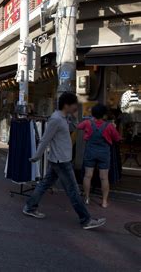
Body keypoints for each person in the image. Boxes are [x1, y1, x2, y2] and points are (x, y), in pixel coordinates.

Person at [23, 92, 106, 230]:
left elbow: (73, 129)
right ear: (67, 105)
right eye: (74, 104)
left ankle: (30, 207)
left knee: (44, 184)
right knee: (73, 191)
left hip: (60, 159)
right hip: (61, 161)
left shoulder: (63, 117)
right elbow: (45, 139)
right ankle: (86, 220)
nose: (76, 107)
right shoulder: (55, 119)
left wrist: (73, 118)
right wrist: (37, 156)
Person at [77, 104, 121, 208]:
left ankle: (87, 198)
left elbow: (78, 126)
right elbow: (117, 138)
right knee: (104, 178)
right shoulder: (109, 126)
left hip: (90, 152)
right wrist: (115, 128)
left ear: (93, 114)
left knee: (88, 176)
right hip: (104, 154)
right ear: (104, 115)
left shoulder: (87, 123)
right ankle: (104, 201)